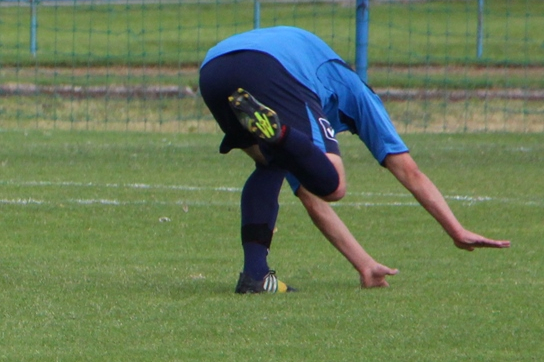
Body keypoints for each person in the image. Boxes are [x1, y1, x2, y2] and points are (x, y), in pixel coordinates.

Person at [199, 26, 509, 293]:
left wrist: (364, 265)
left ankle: (255, 275)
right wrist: (456, 230)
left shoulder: (307, 97)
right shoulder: (358, 94)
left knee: (272, 163)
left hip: (213, 70)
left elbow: (308, 195)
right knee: (334, 185)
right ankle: (279, 134)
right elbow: (408, 170)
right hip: (269, 65)